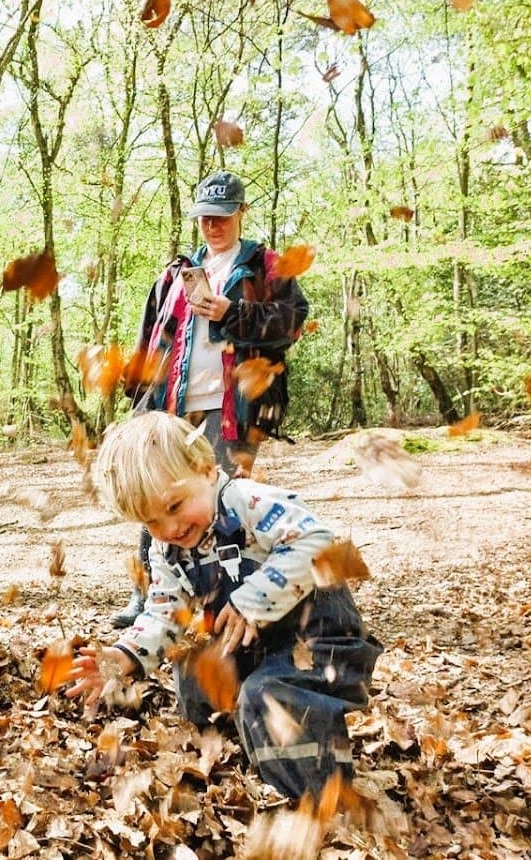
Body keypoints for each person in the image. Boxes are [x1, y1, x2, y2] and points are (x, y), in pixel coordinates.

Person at [71, 412, 381, 800]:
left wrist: (253, 599)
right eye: (151, 522)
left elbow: (317, 543)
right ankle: (243, 744)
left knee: (268, 695)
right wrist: (122, 657)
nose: (169, 529)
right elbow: (164, 612)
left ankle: (314, 793)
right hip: (254, 647)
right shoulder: (169, 549)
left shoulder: (247, 501)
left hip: (319, 642)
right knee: (194, 671)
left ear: (205, 469)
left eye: (174, 506)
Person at [111, 170, 309, 628]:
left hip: (233, 406)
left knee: (219, 500)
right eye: (204, 218)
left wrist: (232, 313)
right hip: (173, 403)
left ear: (241, 213)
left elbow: (292, 323)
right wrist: (138, 398)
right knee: (154, 494)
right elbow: (150, 337)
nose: (212, 226)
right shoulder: (177, 272)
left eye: (221, 217)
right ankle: (146, 596)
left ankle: (229, 596)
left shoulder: (266, 266)